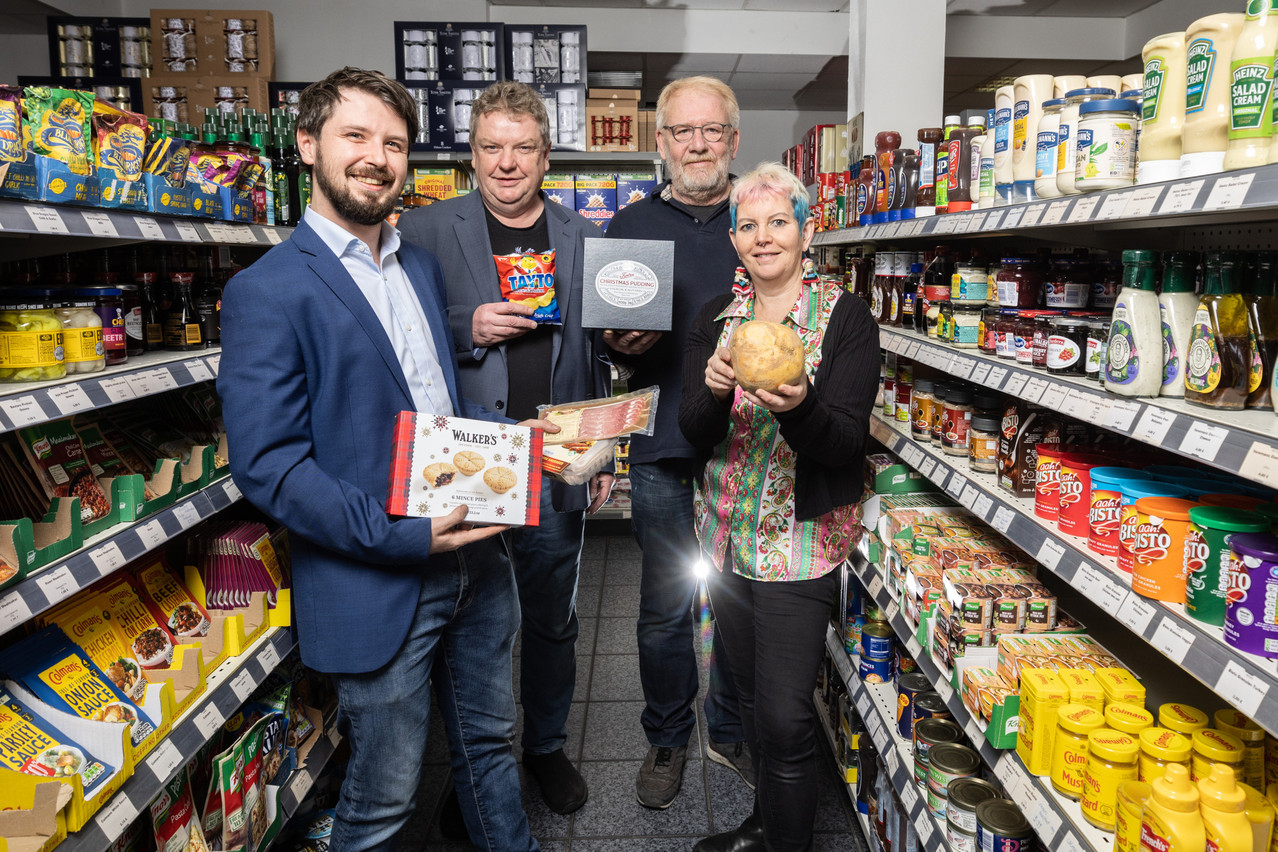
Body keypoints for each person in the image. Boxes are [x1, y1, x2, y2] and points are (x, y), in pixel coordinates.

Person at [217, 67, 542, 852]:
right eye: (355, 136)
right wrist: (404, 532)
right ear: (307, 147)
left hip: (478, 560)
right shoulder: (268, 290)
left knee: (494, 750)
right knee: (385, 798)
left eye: (393, 143)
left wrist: (518, 464)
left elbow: (434, 408)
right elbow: (270, 468)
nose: (377, 157)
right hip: (378, 574)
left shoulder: (417, 265)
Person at [398, 80, 612, 816]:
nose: (507, 163)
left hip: (555, 463)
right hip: (467, 464)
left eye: (523, 148)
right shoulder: (425, 231)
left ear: (546, 156)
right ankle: (475, 769)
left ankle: (545, 749)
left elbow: (595, 352)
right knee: (475, 629)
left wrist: (602, 451)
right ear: (471, 156)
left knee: (552, 618)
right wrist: (468, 324)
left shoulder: (583, 234)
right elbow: (399, 331)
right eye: (492, 147)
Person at [678, 161, 878, 852]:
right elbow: (692, 432)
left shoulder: (845, 318)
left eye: (779, 222)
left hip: (800, 546)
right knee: (754, 698)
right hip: (725, 537)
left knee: (789, 716)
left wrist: (801, 406)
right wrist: (707, 391)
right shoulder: (717, 318)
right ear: (735, 239)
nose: (764, 237)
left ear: (807, 231)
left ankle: (785, 841)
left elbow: (845, 442)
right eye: (749, 225)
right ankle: (765, 824)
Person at [603, 75, 751, 809]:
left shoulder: (762, 218)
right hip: (662, 443)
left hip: (749, 444)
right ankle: (666, 734)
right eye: (682, 132)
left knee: (739, 596)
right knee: (665, 603)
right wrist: (619, 346)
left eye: (711, 130)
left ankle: (727, 728)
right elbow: (609, 343)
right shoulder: (628, 226)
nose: (697, 144)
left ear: (733, 139)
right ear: (660, 144)